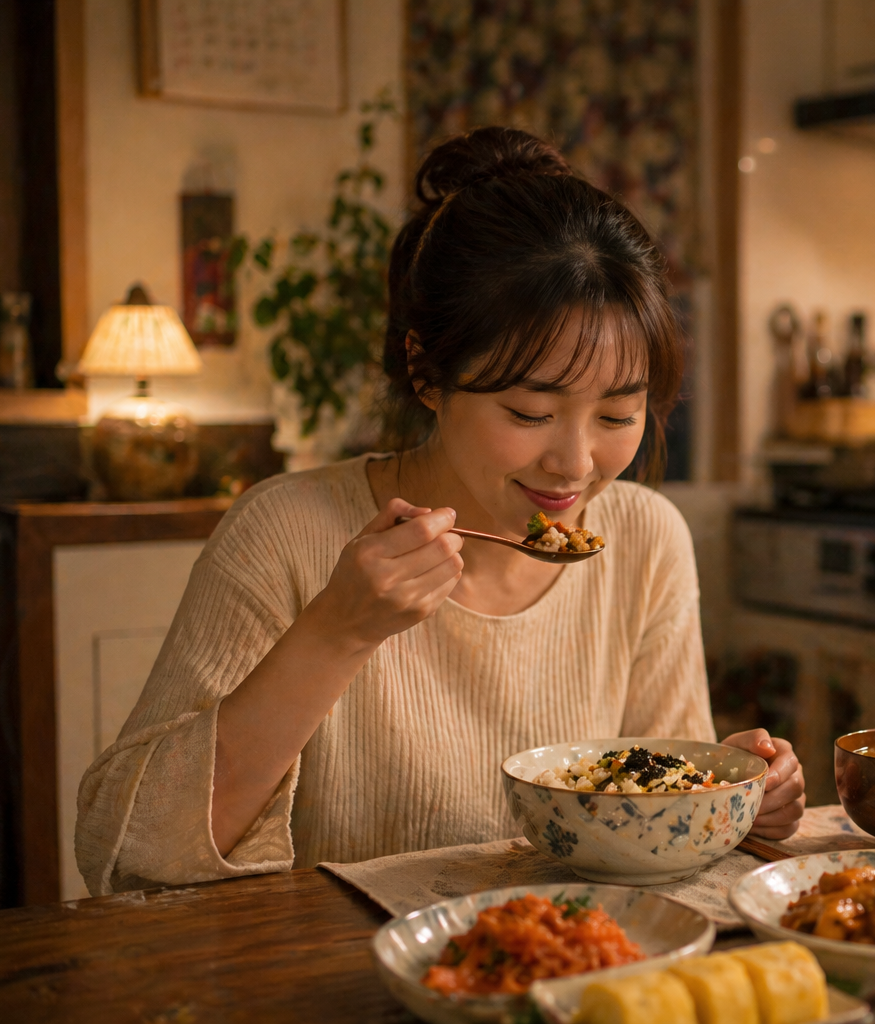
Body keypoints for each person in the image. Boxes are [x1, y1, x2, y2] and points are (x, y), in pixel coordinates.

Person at [75, 128, 805, 895]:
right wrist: (336, 632)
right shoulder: (286, 531)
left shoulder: (646, 537)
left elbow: (663, 823)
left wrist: (737, 799)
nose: (576, 464)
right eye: (528, 413)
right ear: (428, 373)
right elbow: (128, 856)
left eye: (619, 416)